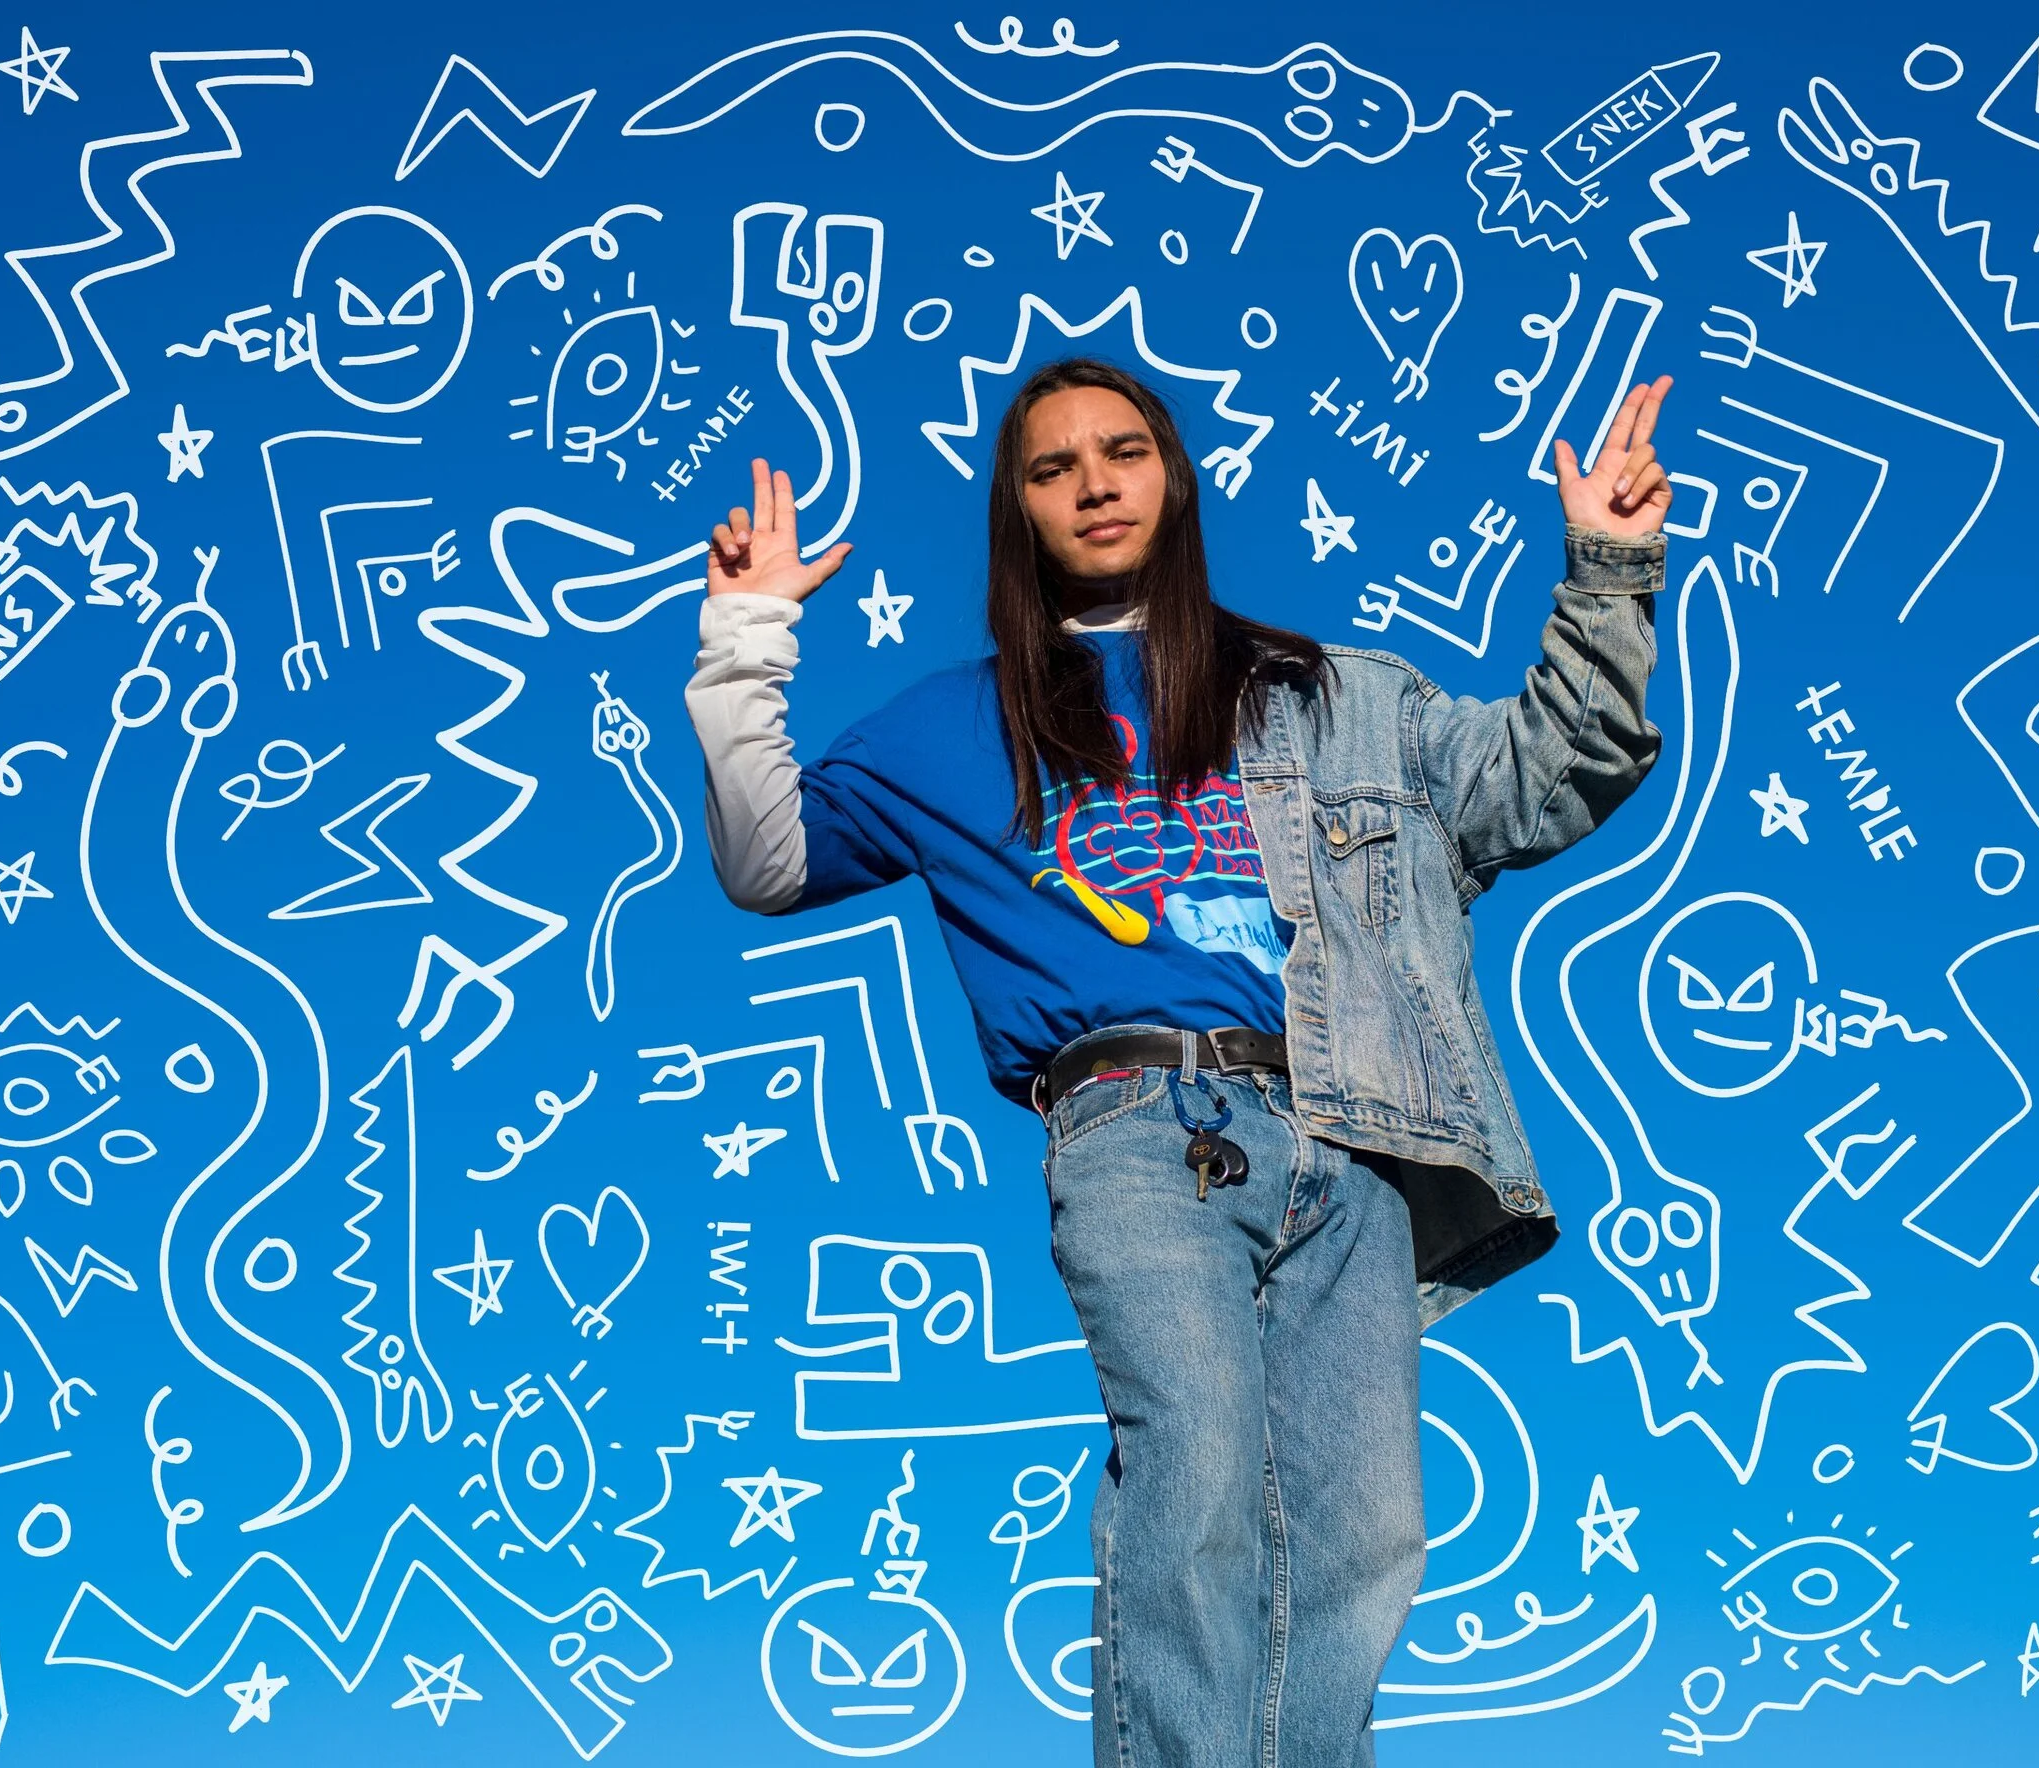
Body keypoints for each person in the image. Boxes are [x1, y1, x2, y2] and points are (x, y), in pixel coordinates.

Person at [683, 356, 1670, 1767]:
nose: (1094, 483)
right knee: (1196, 1471)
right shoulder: (951, 725)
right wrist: (747, 634)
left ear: (1175, 481)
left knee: (1362, 1532)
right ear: (1019, 511)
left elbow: (1544, 779)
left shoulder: (1328, 691)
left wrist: (1609, 569)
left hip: (1352, 1131)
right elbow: (767, 861)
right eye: (1053, 468)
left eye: (1125, 452)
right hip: (1139, 1123)